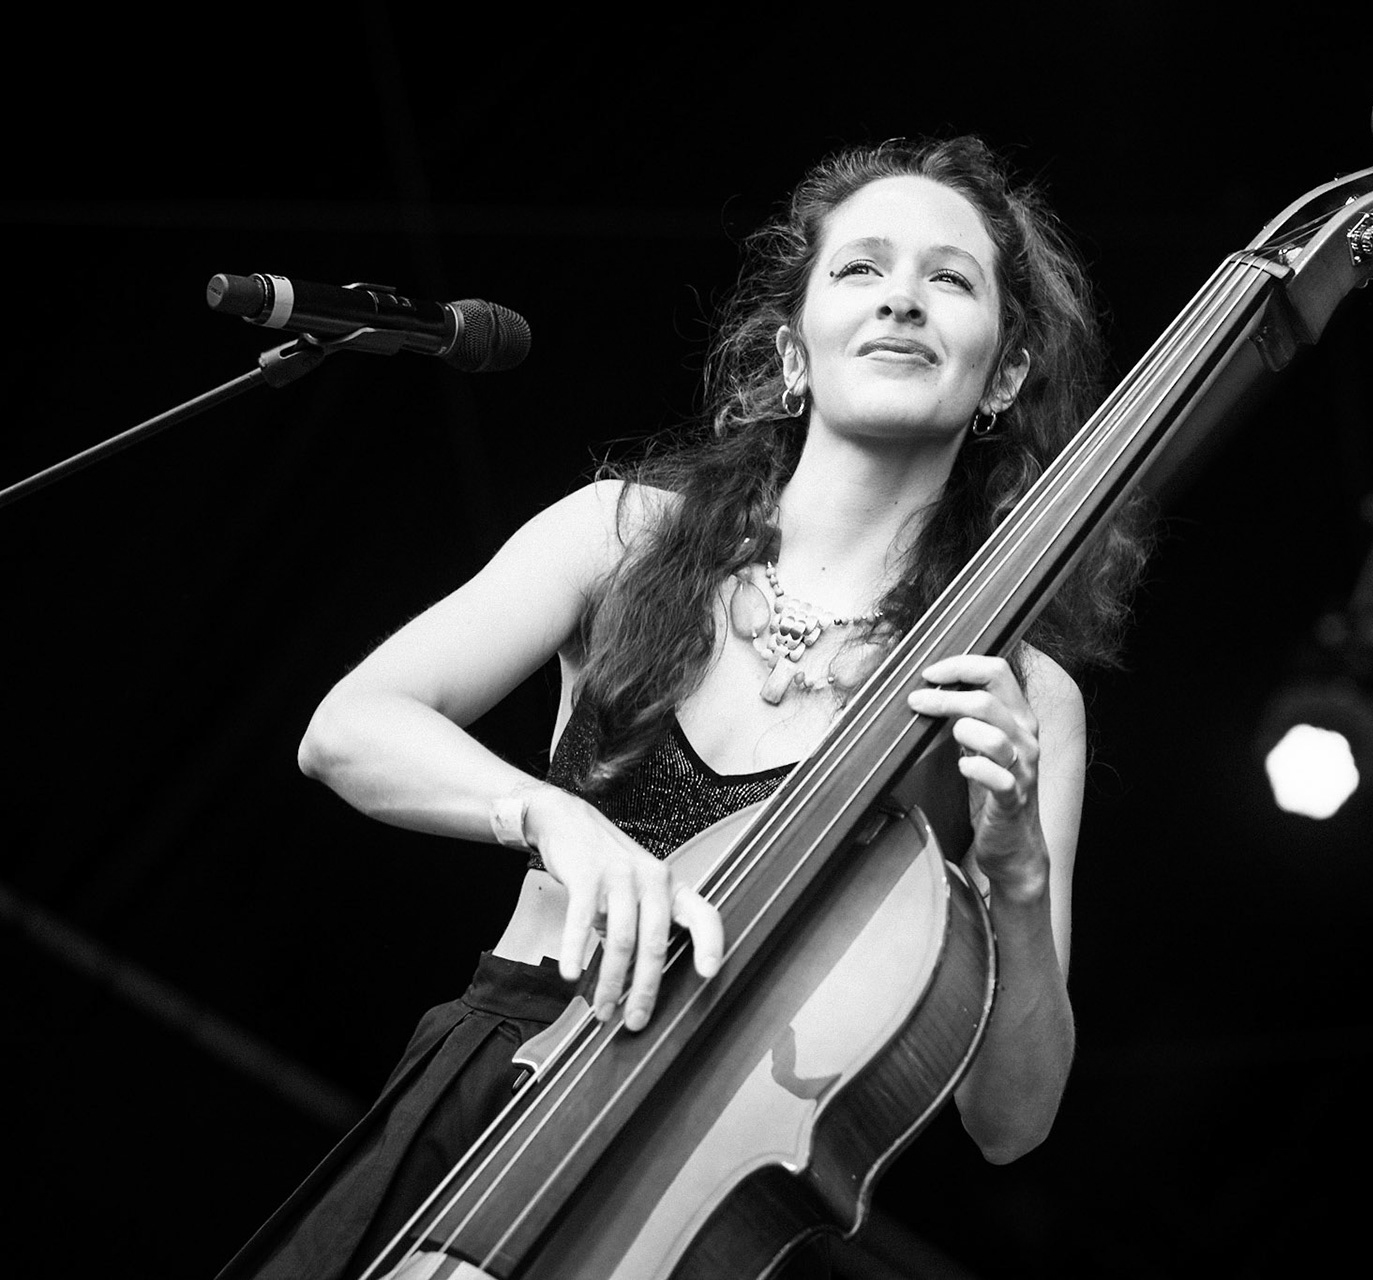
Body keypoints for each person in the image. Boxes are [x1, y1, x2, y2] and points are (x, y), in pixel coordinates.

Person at [218, 134, 1143, 1279]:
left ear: (1003, 374)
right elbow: (348, 727)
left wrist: (1015, 876)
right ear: (791, 347)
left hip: (688, 1185)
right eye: (861, 269)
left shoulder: (1017, 690)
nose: (902, 296)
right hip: (491, 1096)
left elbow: (1013, 1119)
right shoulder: (624, 533)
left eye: (950, 278)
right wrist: (553, 818)